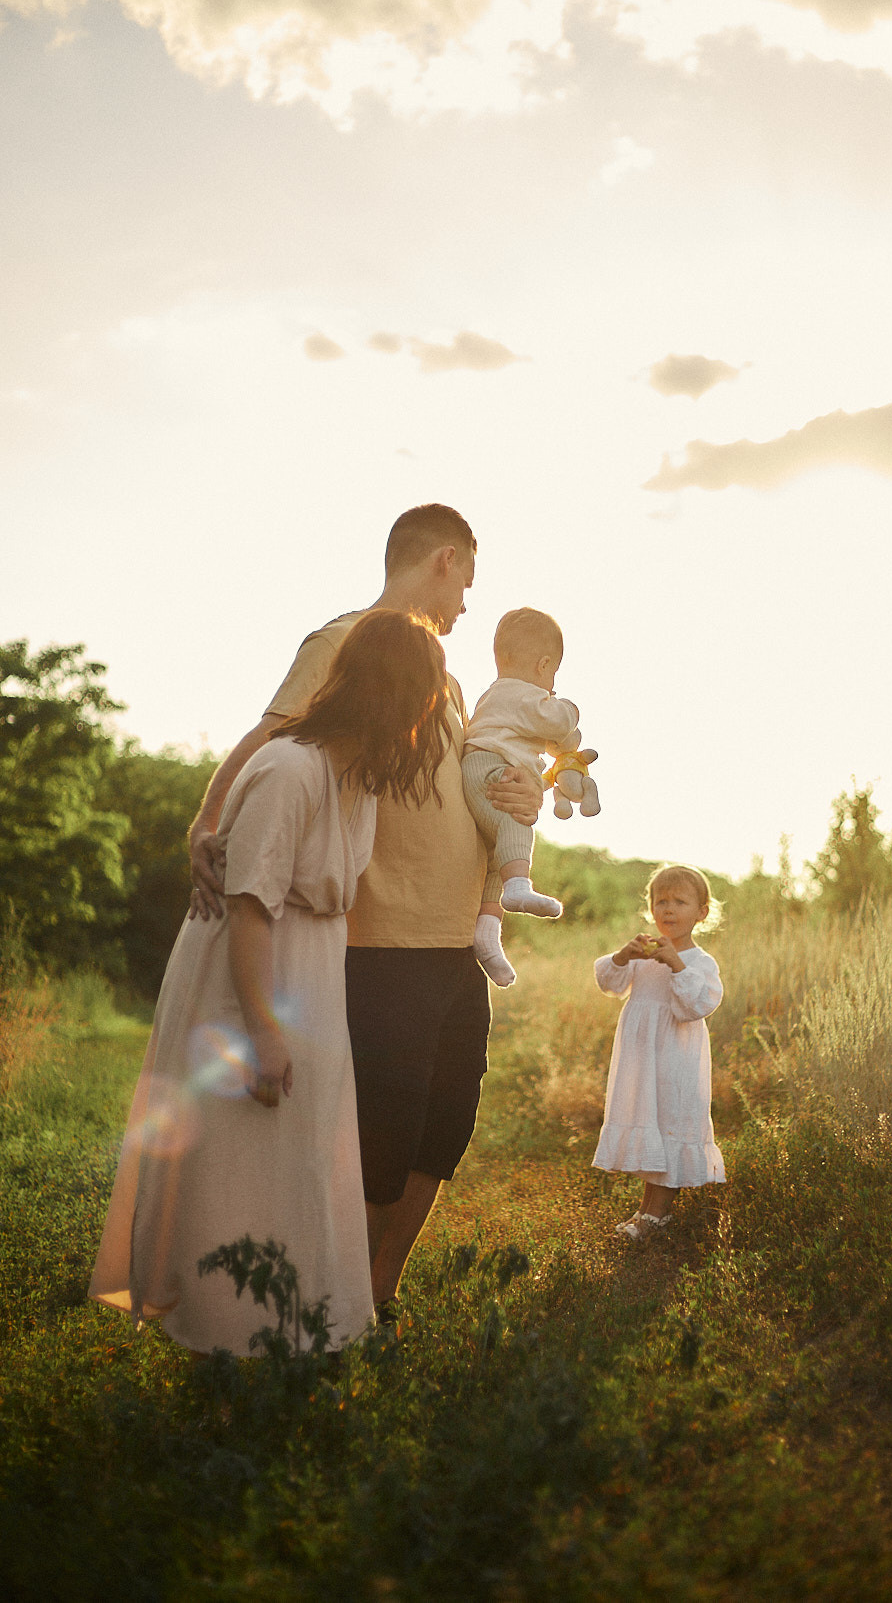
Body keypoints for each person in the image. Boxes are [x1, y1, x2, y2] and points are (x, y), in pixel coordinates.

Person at [186, 504, 541, 1316]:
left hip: (457, 938)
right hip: (385, 938)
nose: (465, 608)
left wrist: (526, 790)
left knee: (444, 1126)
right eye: (468, 585)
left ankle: (377, 1291)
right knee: (382, 1135)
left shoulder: (446, 677)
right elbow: (273, 736)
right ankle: (331, 1292)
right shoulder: (348, 642)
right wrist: (207, 825)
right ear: (446, 559)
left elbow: (474, 776)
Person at [90, 611, 450, 1354]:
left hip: (309, 966)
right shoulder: (291, 767)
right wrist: (263, 1033)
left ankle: (289, 1314)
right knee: (238, 1151)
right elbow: (251, 905)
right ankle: (226, 1327)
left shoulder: (356, 775)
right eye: (426, 698)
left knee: (300, 1151)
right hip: (252, 969)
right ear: (395, 694)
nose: (428, 719)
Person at [592, 864, 726, 1240]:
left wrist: (677, 964)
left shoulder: (699, 962)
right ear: (650, 909)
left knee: (671, 1120)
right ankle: (645, 1210)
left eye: (680, 902)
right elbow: (609, 983)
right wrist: (623, 955)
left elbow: (697, 1005)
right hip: (642, 1059)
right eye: (660, 901)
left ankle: (658, 1216)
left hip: (676, 1060)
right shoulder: (642, 953)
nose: (668, 909)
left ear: (702, 912)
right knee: (650, 1119)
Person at [463, 606, 585, 988]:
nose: (552, 683)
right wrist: (568, 707)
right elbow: (559, 724)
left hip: (479, 767)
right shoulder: (523, 695)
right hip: (491, 768)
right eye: (553, 674)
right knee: (516, 815)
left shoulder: (496, 695)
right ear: (543, 664)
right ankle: (518, 887)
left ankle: (486, 932)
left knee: (497, 850)